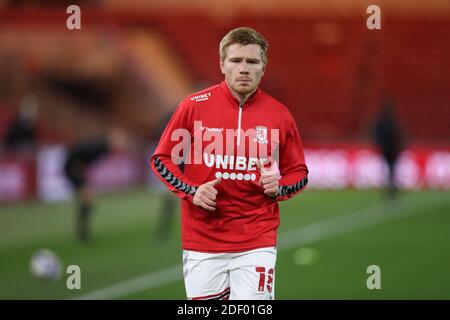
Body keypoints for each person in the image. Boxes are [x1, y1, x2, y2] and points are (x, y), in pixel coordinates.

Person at [150, 27, 308, 300]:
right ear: (222, 64)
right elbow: (162, 160)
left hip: (256, 240)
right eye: (236, 61)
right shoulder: (193, 107)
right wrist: (193, 190)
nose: (243, 68)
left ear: (263, 67)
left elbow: (299, 172)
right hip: (202, 240)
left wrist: (279, 186)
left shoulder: (280, 115)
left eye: (252, 61)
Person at [64, 127, 128, 242]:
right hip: (73, 167)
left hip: (76, 167)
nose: (121, 143)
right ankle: (82, 233)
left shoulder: (103, 148)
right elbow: (77, 154)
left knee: (88, 199)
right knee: (88, 199)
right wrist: (78, 170)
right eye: (119, 140)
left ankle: (83, 232)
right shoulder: (99, 147)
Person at [373, 97, 404, 199]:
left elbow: (377, 136)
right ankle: (391, 190)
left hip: (386, 150)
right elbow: (399, 136)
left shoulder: (382, 122)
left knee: (388, 170)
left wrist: (378, 145)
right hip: (392, 150)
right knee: (391, 170)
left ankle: (389, 189)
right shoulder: (393, 122)